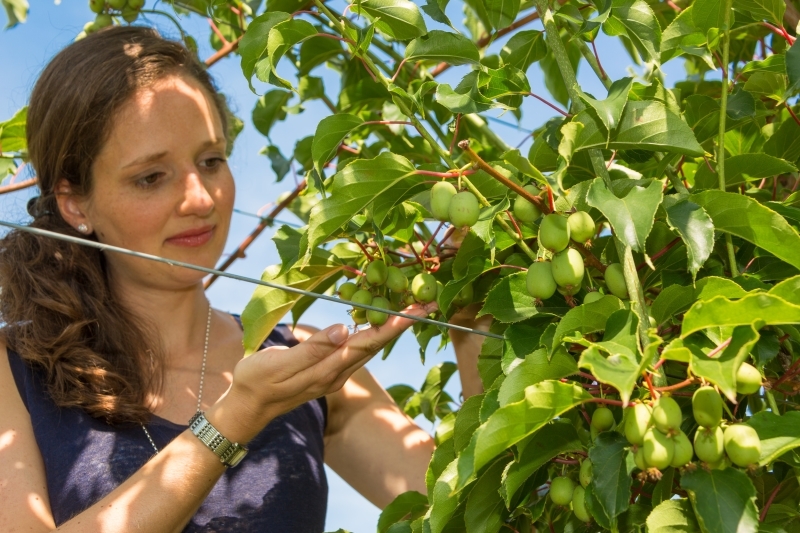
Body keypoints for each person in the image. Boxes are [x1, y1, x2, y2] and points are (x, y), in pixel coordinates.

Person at [0, 26, 489, 532]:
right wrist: (234, 419)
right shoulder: (14, 374)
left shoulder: (308, 371)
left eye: (211, 161)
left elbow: (475, 512)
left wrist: (473, 321)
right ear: (75, 203)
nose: (201, 199)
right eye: (151, 177)